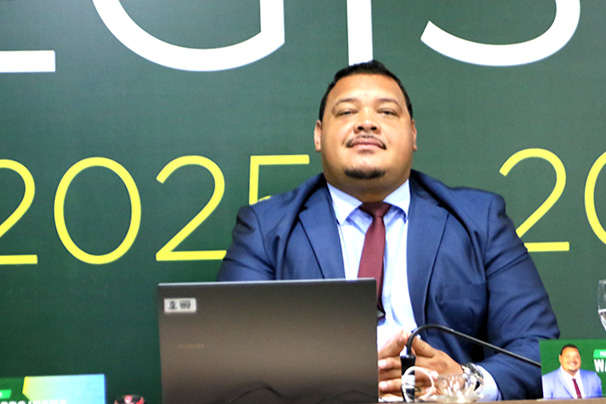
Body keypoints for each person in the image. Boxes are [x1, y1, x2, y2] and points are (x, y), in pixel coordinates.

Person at [217, 60, 560, 400]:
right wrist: (343, 381)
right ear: (319, 135)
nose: (366, 123)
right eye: (347, 112)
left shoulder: (480, 219)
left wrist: (466, 383)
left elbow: (538, 348)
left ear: (413, 134)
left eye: (387, 112)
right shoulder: (265, 228)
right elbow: (230, 360)